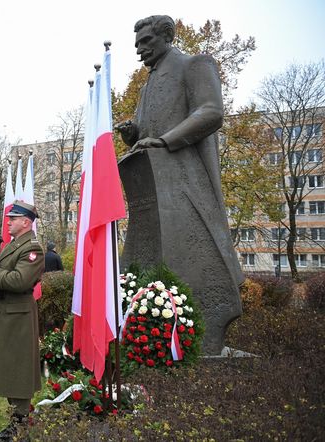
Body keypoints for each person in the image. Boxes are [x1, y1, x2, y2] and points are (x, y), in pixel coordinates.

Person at [115, 15, 243, 354]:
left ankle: (204, 329)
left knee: (195, 248)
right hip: (155, 186)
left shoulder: (195, 65)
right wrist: (133, 133)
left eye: (146, 41)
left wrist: (165, 140)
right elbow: (145, 136)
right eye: (137, 42)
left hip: (186, 181)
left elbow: (212, 111)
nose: (139, 48)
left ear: (166, 37)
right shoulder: (146, 87)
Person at [0, 201, 44, 441]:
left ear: (26, 222)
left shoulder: (32, 249)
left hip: (19, 318)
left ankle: (20, 426)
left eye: (13, 218)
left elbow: (19, 281)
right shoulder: (14, 245)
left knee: (19, 371)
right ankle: (17, 423)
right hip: (7, 315)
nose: (9, 222)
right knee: (9, 369)